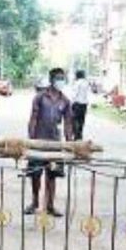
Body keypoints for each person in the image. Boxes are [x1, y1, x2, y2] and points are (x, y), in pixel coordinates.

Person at [25, 68, 74, 217]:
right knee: (35, 174)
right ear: (52, 79)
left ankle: (50, 205)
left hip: (55, 144)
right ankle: (34, 202)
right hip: (39, 142)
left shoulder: (65, 101)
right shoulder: (40, 97)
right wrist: (31, 139)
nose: (61, 81)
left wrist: (69, 142)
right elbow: (33, 118)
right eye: (58, 78)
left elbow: (68, 123)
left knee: (52, 175)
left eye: (63, 78)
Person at [69, 69, 90, 140]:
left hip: (77, 104)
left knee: (74, 120)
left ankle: (76, 135)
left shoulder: (77, 83)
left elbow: (74, 94)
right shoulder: (86, 83)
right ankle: (80, 135)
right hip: (84, 104)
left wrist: (71, 103)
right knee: (81, 120)